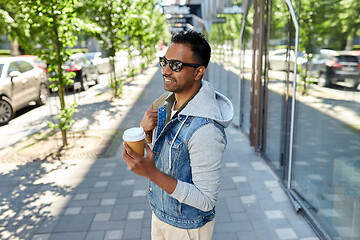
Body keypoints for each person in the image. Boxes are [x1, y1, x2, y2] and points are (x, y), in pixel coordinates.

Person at [122, 30, 233, 240]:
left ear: (198, 72)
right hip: (160, 215)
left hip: (187, 229)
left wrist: (151, 173)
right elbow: (168, 159)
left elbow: (206, 199)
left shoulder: (206, 130)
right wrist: (147, 135)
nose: (165, 70)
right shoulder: (166, 103)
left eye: (175, 65)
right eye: (164, 61)